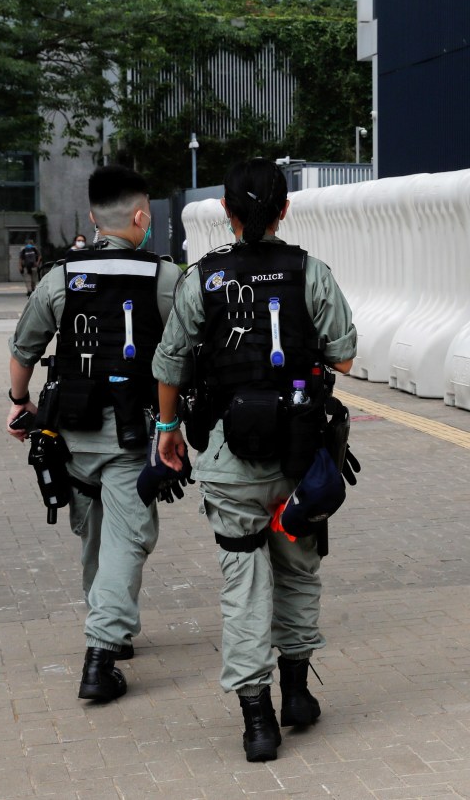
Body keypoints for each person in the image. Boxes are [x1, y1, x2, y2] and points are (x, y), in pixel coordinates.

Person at [151, 158, 357, 763]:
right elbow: (343, 358)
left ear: (226, 213)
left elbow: (169, 364)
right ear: (285, 209)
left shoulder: (201, 279)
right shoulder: (310, 273)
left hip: (225, 458)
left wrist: (167, 431)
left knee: (243, 585)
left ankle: (257, 721)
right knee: (298, 568)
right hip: (300, 457)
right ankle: (296, 694)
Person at [7, 165, 182, 702]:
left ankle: (109, 624)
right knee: (128, 538)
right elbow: (183, 354)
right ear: (139, 216)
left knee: (94, 531)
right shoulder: (165, 277)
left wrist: (20, 404)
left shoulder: (60, 276)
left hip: (69, 431)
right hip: (133, 433)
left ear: (91, 218)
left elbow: (23, 350)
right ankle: (102, 653)